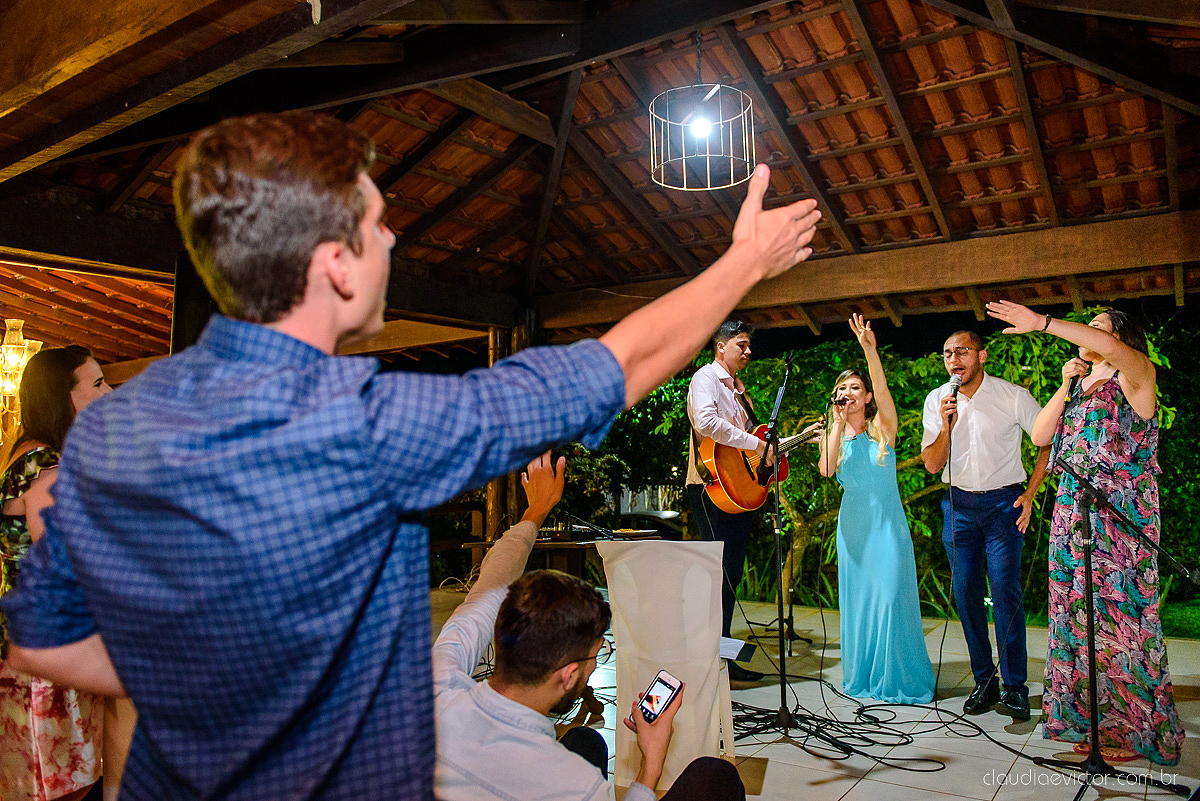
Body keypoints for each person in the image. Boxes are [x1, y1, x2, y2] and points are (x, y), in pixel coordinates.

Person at [1, 111, 821, 800]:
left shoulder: (120, 422)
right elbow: (617, 368)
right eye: (374, 221)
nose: (391, 234)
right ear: (334, 267)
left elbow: (41, 642)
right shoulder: (363, 425)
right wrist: (745, 260)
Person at [434, 453, 745, 801]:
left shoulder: (438, 683)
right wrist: (651, 763)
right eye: (598, 654)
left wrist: (535, 511)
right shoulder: (575, 786)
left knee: (585, 742)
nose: (597, 663)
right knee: (716, 777)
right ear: (567, 675)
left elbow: (490, 584)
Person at [986, 301, 1184, 765]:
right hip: (1072, 514)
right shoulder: (1077, 388)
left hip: (1119, 517)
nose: (1086, 333)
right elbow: (1038, 436)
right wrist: (1063, 384)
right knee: (1077, 617)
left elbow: (1112, 348)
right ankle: (1092, 721)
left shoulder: (1136, 376)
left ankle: (1133, 729)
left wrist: (1043, 324)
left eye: (1095, 327)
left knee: (1122, 622)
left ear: (1119, 336)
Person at [920, 330, 1049, 722]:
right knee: (966, 594)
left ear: (982, 355)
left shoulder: (1013, 396)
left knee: (1005, 592)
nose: (953, 359)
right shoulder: (938, 399)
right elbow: (931, 464)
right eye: (946, 353)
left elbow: (1047, 439)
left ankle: (1014, 687)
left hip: (1001, 505)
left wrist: (1030, 493)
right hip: (958, 505)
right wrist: (946, 425)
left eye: (961, 351)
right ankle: (984, 681)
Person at [0, 346, 110, 801]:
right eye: (98, 384)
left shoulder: (34, 457)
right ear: (62, 396)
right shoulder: (47, 466)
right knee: (52, 785)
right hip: (45, 650)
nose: (110, 392)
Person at [818, 315, 934, 704]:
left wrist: (870, 349)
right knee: (860, 603)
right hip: (852, 528)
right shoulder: (832, 432)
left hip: (886, 528)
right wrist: (834, 426)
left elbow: (882, 389)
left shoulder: (882, 429)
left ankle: (896, 679)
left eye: (855, 388)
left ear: (865, 397)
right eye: (842, 388)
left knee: (888, 599)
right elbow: (826, 469)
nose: (849, 392)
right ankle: (864, 676)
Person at [685, 320, 768, 683]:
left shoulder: (739, 391)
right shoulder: (706, 379)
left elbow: (748, 443)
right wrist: (754, 445)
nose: (748, 352)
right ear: (721, 346)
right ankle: (704, 658)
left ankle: (722, 655)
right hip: (710, 488)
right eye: (742, 345)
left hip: (738, 491)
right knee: (716, 573)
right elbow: (706, 422)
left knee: (731, 573)